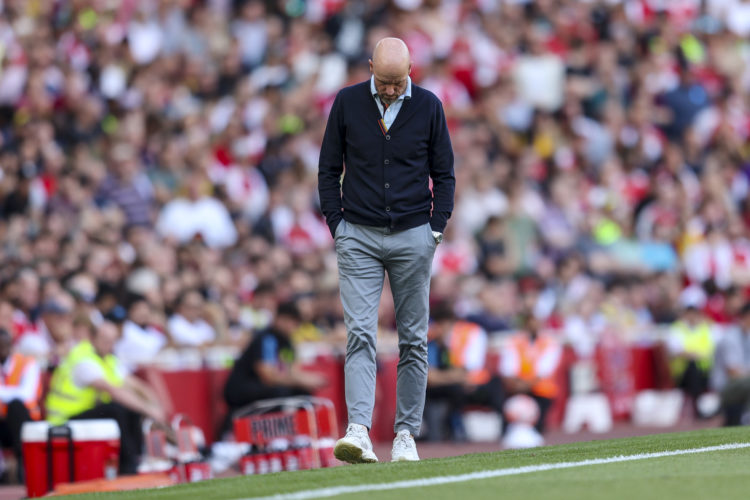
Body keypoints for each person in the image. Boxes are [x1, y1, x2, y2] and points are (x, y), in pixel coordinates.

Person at [318, 37, 455, 463]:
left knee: (414, 339)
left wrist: (435, 229)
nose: (392, 89)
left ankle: (405, 435)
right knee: (360, 333)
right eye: (384, 81)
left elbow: (444, 173)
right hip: (357, 234)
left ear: (411, 69)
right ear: (370, 66)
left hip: (413, 233)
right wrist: (338, 226)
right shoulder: (347, 102)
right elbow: (328, 168)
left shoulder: (429, 106)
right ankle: (358, 430)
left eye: (399, 82)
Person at [45, 320, 167, 474]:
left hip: (83, 414)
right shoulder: (83, 359)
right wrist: (150, 410)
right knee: (116, 409)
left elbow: (136, 386)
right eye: (104, 340)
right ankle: (128, 466)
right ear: (93, 338)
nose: (108, 344)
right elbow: (114, 391)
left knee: (130, 410)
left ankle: (137, 458)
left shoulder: (108, 360)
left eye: (111, 341)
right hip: (63, 419)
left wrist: (155, 405)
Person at [222, 302, 326, 430]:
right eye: (291, 322)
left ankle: (302, 433)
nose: (293, 327)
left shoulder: (288, 343)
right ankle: (273, 434)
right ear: (279, 319)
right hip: (243, 388)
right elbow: (267, 376)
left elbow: (292, 371)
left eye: (296, 323)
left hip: (265, 387)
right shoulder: (266, 338)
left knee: (302, 393)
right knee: (279, 391)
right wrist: (302, 380)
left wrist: (308, 380)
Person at [424, 303, 504, 442]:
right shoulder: (432, 346)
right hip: (441, 388)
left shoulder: (457, 342)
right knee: (453, 390)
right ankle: (455, 428)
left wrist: (451, 377)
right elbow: (431, 377)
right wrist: (453, 377)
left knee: (495, 384)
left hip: (462, 383)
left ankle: (503, 427)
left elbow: (464, 370)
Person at [499, 313, 563, 434]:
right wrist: (517, 385)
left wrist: (526, 385)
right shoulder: (514, 341)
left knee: (536, 426)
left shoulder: (549, 342)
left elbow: (545, 370)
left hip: (540, 390)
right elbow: (507, 368)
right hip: (516, 387)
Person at [0, 328, 42, 481]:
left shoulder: (27, 363)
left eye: (4, 345)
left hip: (26, 422)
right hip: (2, 423)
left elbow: (26, 394)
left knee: (16, 406)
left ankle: (23, 468)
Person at [711, 303, 750, 425]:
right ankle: (747, 419)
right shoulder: (730, 337)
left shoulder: (747, 336)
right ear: (745, 317)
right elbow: (733, 373)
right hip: (725, 387)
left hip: (742, 384)